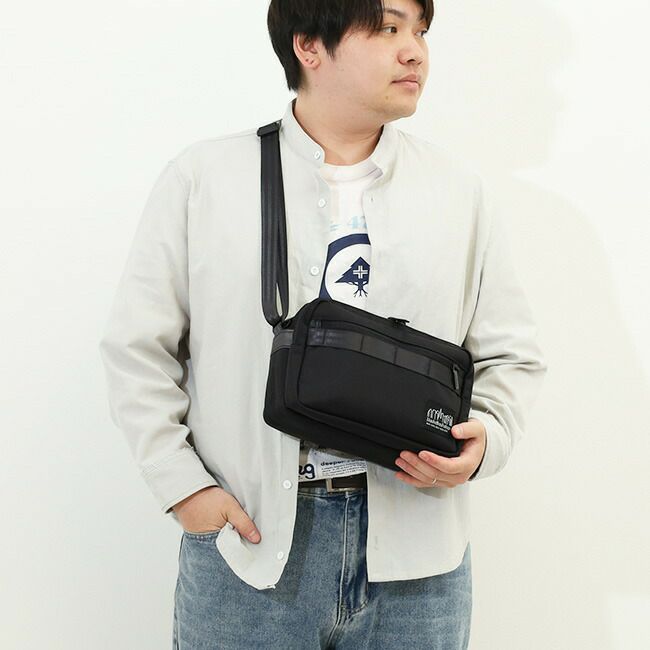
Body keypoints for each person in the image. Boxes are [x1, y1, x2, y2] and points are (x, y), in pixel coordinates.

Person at [98, 1, 548, 648]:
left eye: (421, 31)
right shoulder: (205, 178)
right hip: (250, 547)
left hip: (419, 558)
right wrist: (184, 489)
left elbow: (512, 354)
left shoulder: (459, 189)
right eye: (389, 27)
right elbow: (137, 349)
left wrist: (489, 441)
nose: (415, 50)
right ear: (309, 46)